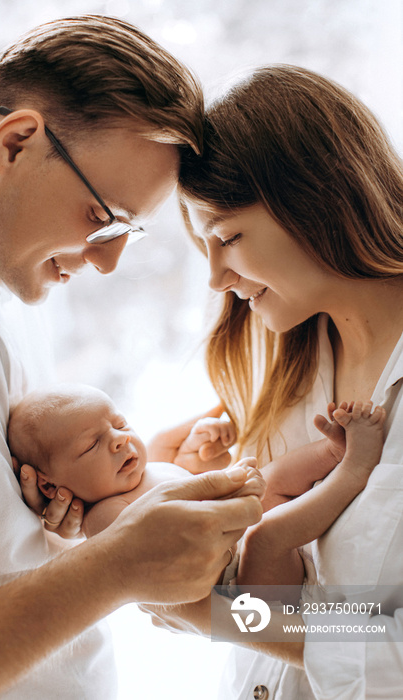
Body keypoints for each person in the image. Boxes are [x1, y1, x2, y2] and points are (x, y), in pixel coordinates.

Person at [0, 16, 265, 700]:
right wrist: (123, 560)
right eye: (102, 216)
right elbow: (348, 623)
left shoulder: (4, 294)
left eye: (130, 230)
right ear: (17, 142)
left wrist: (119, 483)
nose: (216, 280)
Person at [144, 64, 403, 699]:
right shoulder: (291, 361)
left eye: (228, 237)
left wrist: (227, 619)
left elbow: (389, 635)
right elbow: (273, 584)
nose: (215, 278)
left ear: (318, 198)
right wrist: (158, 490)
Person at [8, 384, 385, 596]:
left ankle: (334, 451)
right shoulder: (104, 520)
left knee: (272, 476)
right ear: (50, 484)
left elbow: (186, 490)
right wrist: (228, 489)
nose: (120, 442)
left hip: (239, 541)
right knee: (267, 535)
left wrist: (197, 465)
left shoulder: (145, 470)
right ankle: (354, 471)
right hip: (246, 589)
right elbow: (170, 539)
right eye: (91, 445)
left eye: (119, 424)